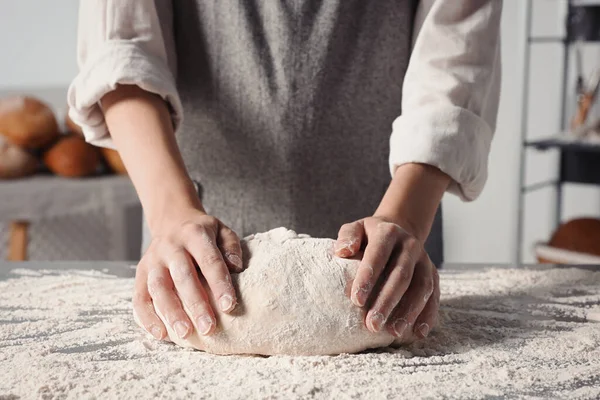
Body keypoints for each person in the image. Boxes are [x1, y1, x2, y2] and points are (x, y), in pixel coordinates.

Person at [68, 1, 501, 344]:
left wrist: (405, 216)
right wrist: (171, 213)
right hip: (195, 244)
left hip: (389, 237)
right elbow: (120, 47)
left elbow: (454, 51)